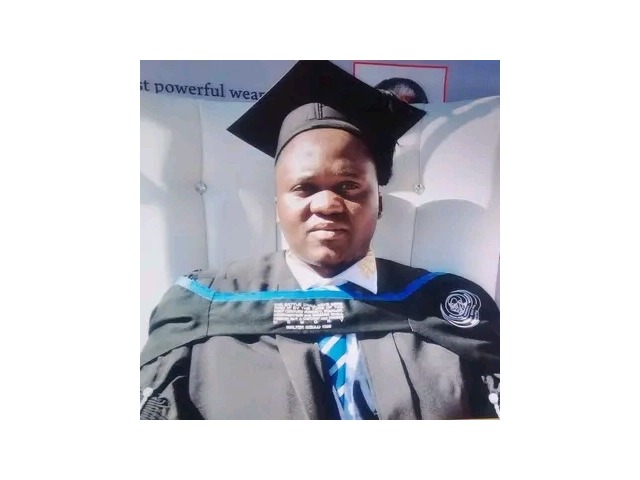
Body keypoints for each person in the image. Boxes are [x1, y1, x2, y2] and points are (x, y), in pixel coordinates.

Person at [140, 60, 500, 420]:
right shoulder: (203, 307)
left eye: (349, 186)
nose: (327, 204)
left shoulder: (445, 307)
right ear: (278, 207)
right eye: (304, 188)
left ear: (379, 203)